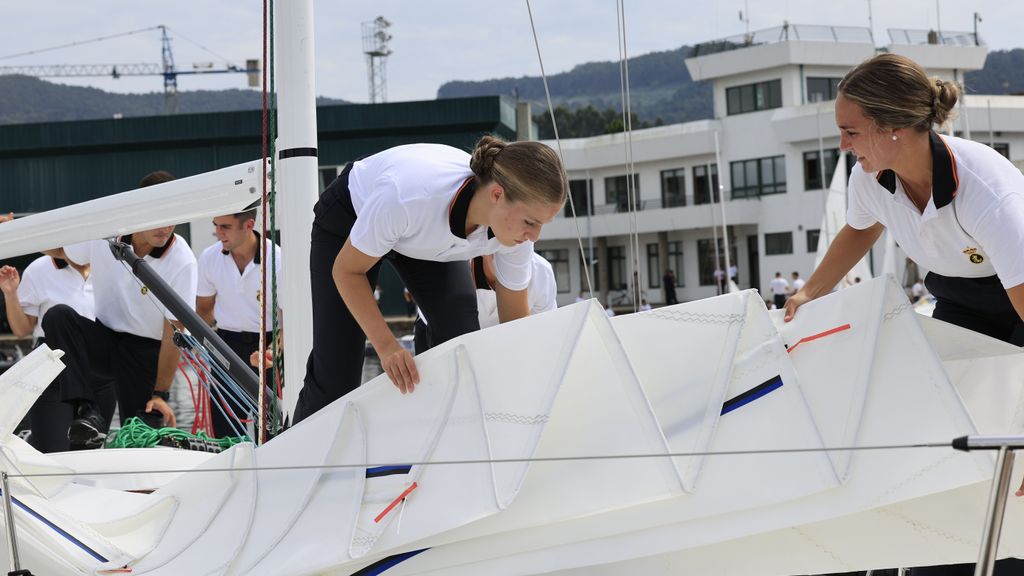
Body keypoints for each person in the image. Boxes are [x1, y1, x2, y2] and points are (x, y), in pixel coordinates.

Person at [783, 53, 1024, 574]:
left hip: (1019, 298)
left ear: (892, 128)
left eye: (850, 131)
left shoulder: (989, 193)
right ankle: (947, 550)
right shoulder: (870, 177)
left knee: (1017, 433)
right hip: (961, 300)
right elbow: (860, 228)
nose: (842, 144)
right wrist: (812, 292)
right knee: (947, 422)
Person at [292, 136, 566, 424]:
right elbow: (347, 271)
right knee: (338, 375)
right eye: (530, 223)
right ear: (497, 195)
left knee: (460, 339)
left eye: (541, 225)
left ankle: (447, 440)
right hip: (352, 215)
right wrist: (387, 347)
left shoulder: (516, 236)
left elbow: (515, 329)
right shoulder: (407, 198)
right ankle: (290, 461)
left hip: (420, 236)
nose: (535, 237)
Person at [46, 171, 198, 446]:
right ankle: (86, 410)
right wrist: (23, 235)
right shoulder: (106, 231)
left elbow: (173, 334)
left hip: (144, 354)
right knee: (57, 317)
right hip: (105, 341)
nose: (165, 228)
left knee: (141, 437)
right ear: (138, 210)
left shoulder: (182, 261)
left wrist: (160, 394)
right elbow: (63, 251)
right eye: (158, 217)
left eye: (172, 217)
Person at [0, 250, 115, 452]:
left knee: (88, 458)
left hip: (96, 369)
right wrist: (10, 294)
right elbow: (22, 329)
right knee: (52, 453)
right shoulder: (38, 269)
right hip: (53, 369)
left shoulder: (110, 267)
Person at [196, 208, 282, 438]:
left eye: (225, 227)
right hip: (226, 344)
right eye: (216, 225)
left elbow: (287, 320)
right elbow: (203, 311)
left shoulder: (277, 259)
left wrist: (272, 352)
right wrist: (201, 349)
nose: (218, 233)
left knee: (272, 431)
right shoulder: (209, 258)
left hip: (269, 347)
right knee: (225, 430)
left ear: (248, 225)